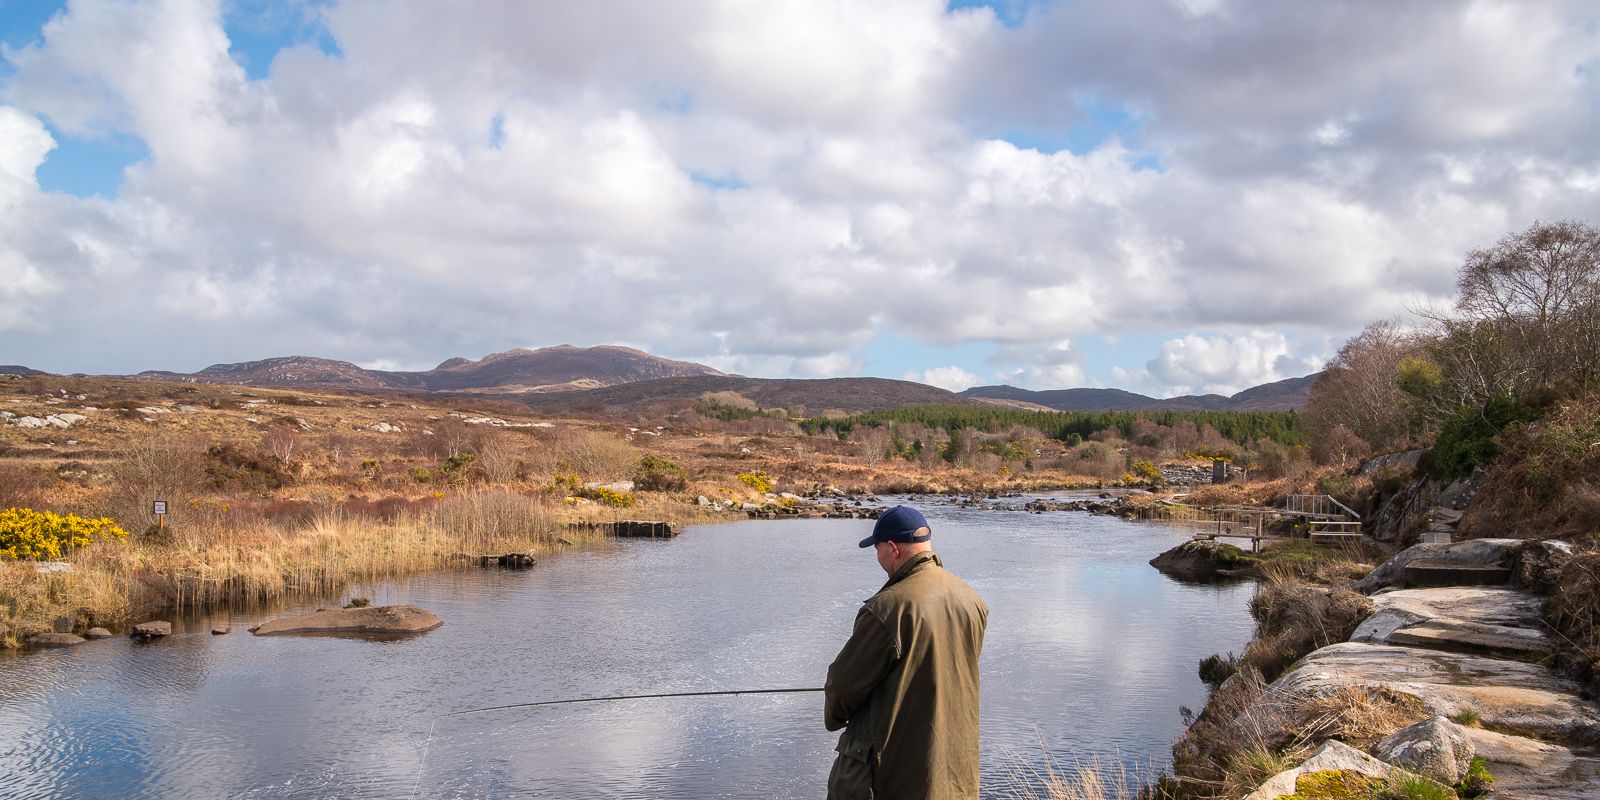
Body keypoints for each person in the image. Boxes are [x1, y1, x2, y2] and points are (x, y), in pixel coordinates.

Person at [824, 505, 989, 800]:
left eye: (877, 549)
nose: (877, 558)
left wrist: (835, 716)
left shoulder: (887, 609)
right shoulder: (971, 600)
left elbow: (842, 688)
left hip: (894, 777)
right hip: (955, 775)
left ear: (892, 548)